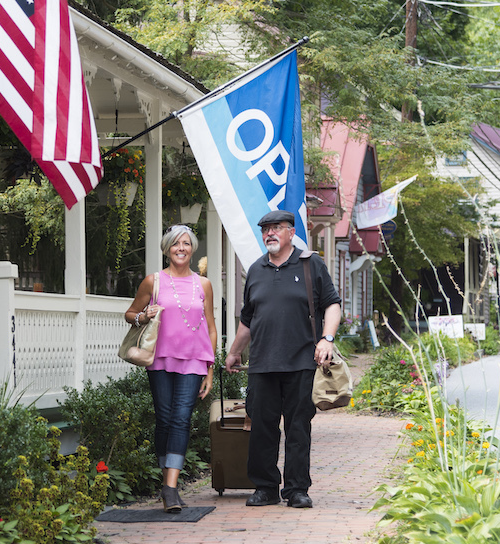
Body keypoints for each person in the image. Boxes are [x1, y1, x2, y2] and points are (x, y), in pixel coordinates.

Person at [224, 210, 341, 509]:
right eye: (265, 230)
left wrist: (327, 339)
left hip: (301, 361)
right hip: (262, 363)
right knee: (262, 427)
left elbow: (332, 305)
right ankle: (265, 488)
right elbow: (247, 319)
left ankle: (296, 489)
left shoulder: (310, 264)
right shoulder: (256, 269)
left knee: (298, 427)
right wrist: (235, 350)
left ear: (291, 232)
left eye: (276, 228)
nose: (269, 234)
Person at [125, 224, 217, 513]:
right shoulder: (153, 282)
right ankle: (168, 482)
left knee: (181, 419)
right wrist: (143, 315)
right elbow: (129, 313)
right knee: (164, 420)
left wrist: (210, 369)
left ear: (193, 249)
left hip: (193, 359)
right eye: (176, 244)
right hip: (160, 359)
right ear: (167, 249)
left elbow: (212, 328)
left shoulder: (203, 284)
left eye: (187, 243)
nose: (181, 248)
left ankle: (170, 487)